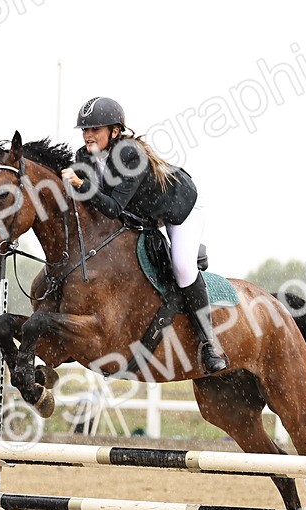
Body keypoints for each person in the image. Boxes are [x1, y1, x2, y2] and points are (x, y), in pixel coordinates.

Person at [59, 96, 228, 373]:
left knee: (183, 268)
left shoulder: (129, 154)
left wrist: (83, 185)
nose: (88, 135)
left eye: (95, 129)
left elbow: (112, 207)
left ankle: (210, 343)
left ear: (114, 132)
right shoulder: (83, 157)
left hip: (180, 208)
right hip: (143, 216)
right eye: (85, 130)